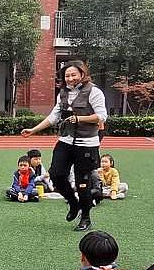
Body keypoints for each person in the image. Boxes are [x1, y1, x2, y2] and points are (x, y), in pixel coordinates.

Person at [20, 60, 108, 230]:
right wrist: (33, 130)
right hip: (66, 140)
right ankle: (73, 203)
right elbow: (53, 116)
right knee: (56, 175)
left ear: (82, 74)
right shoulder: (63, 93)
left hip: (87, 144)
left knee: (83, 183)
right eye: (67, 75)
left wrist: (80, 119)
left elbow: (102, 116)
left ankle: (86, 218)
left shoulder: (94, 92)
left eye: (73, 74)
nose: (70, 78)